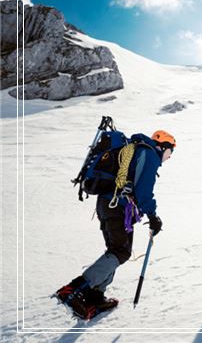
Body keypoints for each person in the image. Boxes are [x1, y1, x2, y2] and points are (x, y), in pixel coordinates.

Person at [56, 130, 176, 319]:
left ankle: (95, 296)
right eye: (171, 152)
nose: (169, 157)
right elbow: (143, 191)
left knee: (116, 250)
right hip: (116, 206)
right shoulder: (150, 154)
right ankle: (74, 288)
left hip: (107, 204)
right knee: (121, 251)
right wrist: (153, 216)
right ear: (164, 146)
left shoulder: (136, 149)